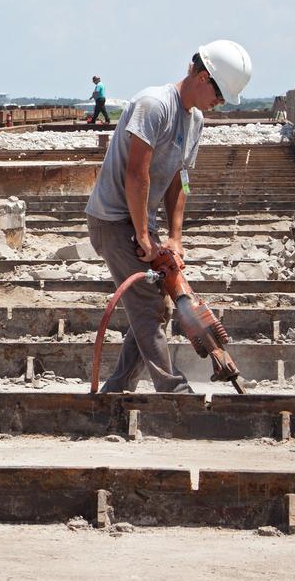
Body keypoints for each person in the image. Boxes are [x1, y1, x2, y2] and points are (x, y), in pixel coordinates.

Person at [84, 40, 252, 393]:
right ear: (203, 76)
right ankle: (173, 391)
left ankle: (117, 389)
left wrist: (175, 238)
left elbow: (180, 180)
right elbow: (136, 174)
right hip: (113, 220)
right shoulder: (154, 104)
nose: (218, 105)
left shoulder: (195, 121)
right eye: (219, 97)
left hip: (141, 220)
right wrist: (144, 236)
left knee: (158, 307)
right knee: (147, 306)